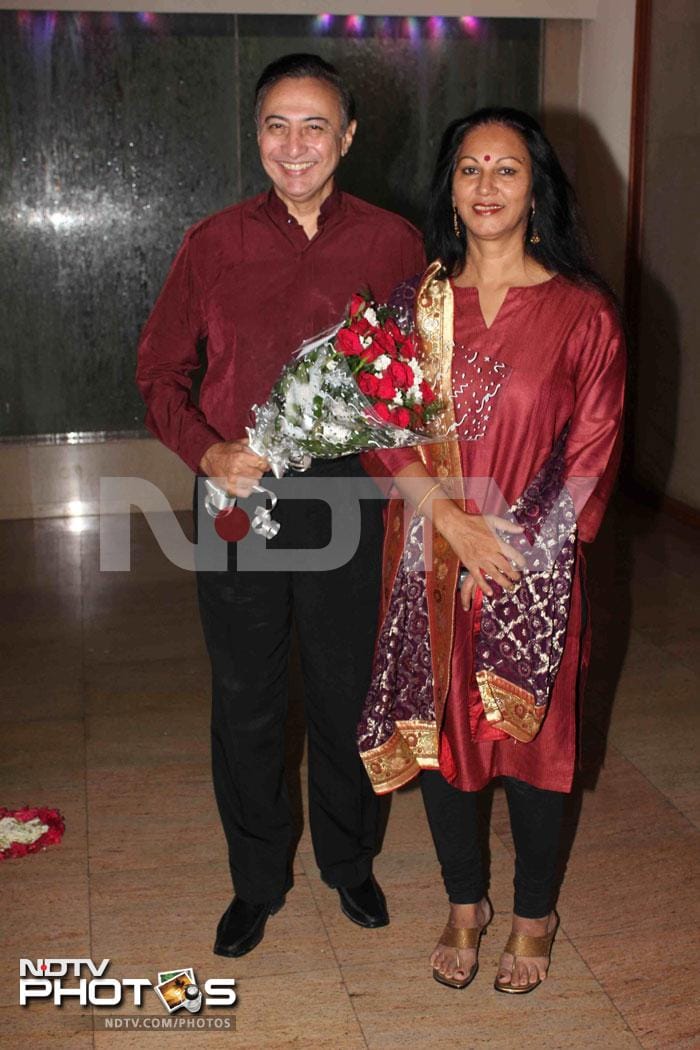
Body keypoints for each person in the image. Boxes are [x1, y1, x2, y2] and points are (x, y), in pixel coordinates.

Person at [137, 53, 425, 957]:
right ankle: (256, 880)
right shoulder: (212, 242)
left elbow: (419, 379)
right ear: (255, 133)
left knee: (345, 691)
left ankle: (350, 862)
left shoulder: (393, 242)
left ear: (346, 137)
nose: (293, 145)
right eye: (275, 125)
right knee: (247, 695)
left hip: (353, 491)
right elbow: (157, 371)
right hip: (238, 496)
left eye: (314, 126)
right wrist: (209, 450)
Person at [357, 107, 625, 993]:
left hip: (534, 569)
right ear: (450, 187)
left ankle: (535, 914)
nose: (484, 186)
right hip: (430, 559)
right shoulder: (416, 304)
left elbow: (590, 458)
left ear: (536, 188)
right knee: (448, 741)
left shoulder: (584, 313)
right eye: (469, 169)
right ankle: (464, 902)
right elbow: (384, 431)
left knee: (537, 749)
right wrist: (455, 530)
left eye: (505, 170)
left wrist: (509, 562)